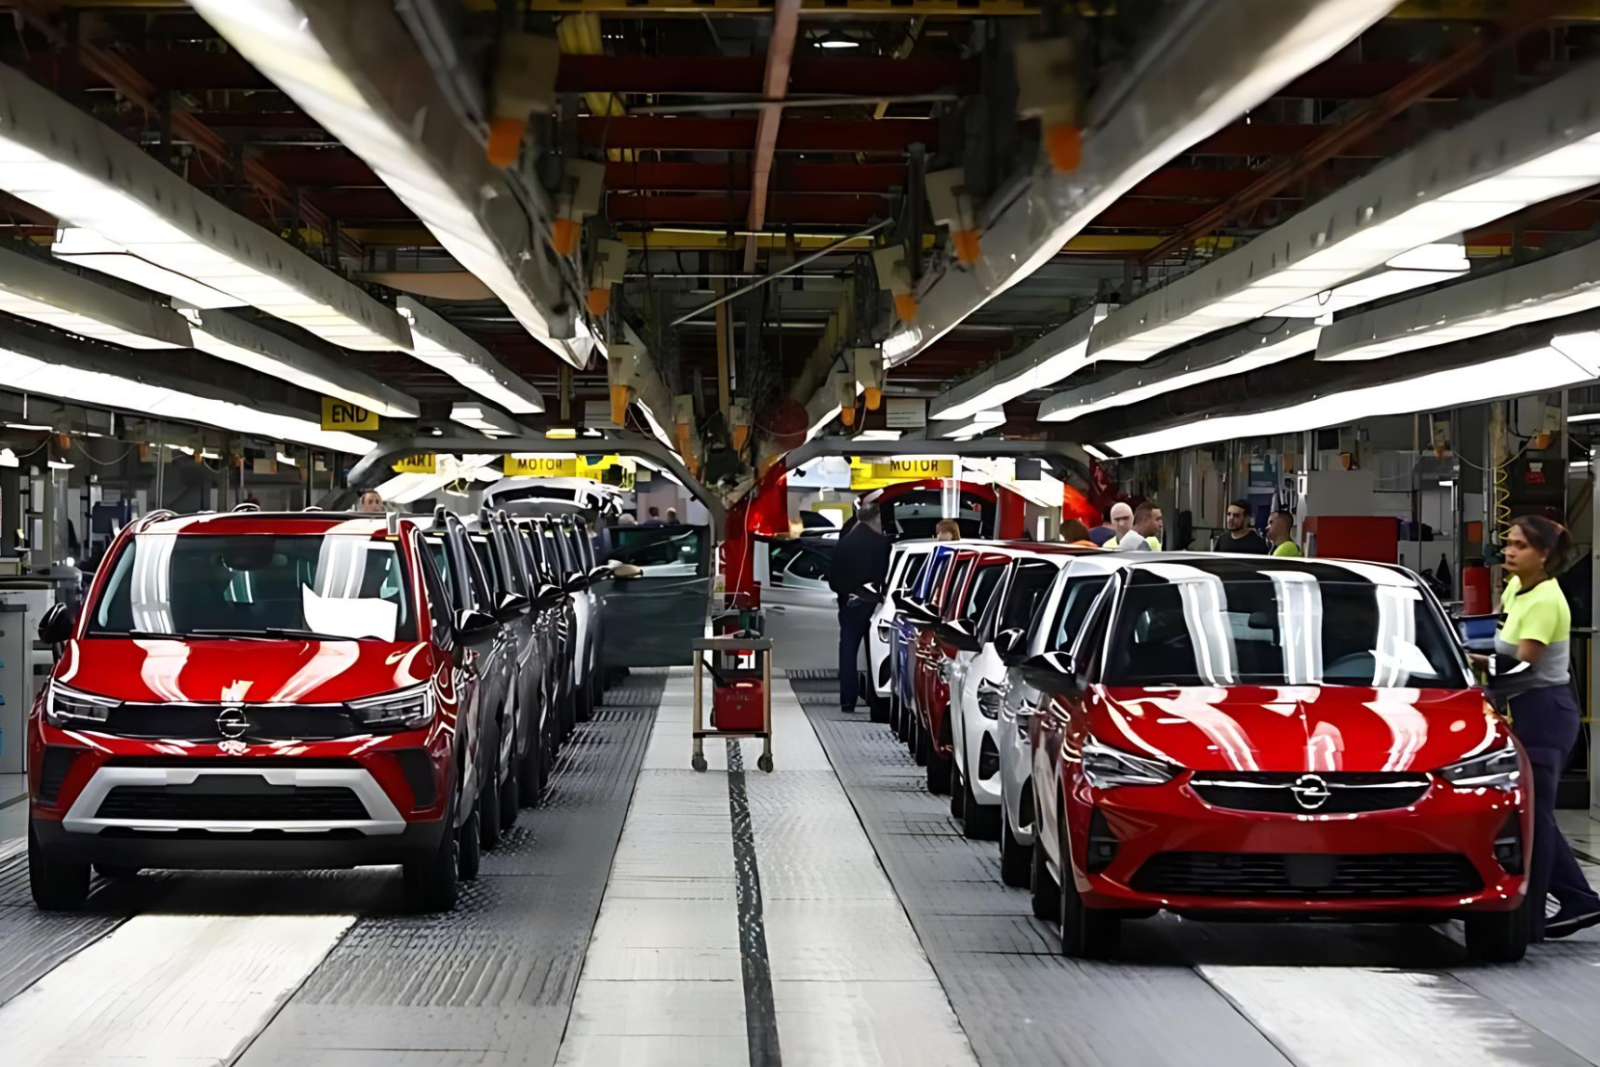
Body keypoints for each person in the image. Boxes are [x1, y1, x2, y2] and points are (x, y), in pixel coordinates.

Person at [1475, 517, 1600, 940]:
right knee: (1533, 815)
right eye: (1508, 544)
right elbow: (1501, 637)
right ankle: (1578, 899)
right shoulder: (1515, 588)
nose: (1509, 552)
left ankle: (1533, 919)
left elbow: (1523, 663)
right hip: (1518, 707)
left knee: (1536, 816)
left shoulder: (1548, 600)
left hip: (1546, 713)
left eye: (1520, 546)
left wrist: (1470, 663)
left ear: (1544, 554)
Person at [828, 502, 891, 714]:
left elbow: (833, 579)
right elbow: (885, 577)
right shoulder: (882, 545)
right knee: (877, 651)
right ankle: (877, 700)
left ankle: (848, 699)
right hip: (875, 606)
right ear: (875, 519)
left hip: (850, 604)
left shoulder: (845, 543)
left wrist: (847, 593)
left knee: (848, 651)